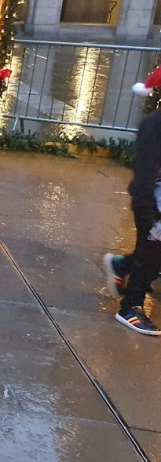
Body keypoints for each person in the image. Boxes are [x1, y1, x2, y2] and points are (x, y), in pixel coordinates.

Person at [103, 64, 161, 336]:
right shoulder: (155, 125)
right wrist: (150, 213)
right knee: (152, 254)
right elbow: (145, 174)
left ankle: (122, 265)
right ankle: (131, 306)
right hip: (153, 201)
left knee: (154, 255)